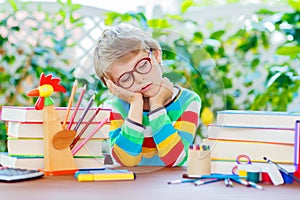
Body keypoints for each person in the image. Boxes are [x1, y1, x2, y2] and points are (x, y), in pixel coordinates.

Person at [93, 23, 201, 167]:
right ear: (113, 85)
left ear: (156, 55)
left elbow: (175, 159)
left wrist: (156, 105)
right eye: (125, 78)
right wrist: (135, 103)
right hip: (131, 187)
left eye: (142, 65)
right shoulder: (114, 108)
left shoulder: (188, 101)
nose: (139, 79)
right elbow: (126, 162)